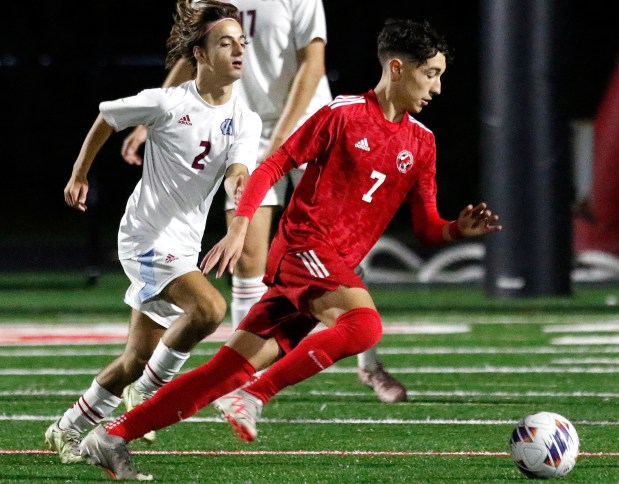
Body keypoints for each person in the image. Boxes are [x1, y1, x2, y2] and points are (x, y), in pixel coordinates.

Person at [78, 18, 502, 480]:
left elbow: (426, 228)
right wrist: (241, 226)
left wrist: (457, 230)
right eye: (430, 74)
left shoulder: (422, 143)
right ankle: (255, 396)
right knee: (363, 325)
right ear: (397, 69)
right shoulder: (342, 115)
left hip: (327, 268)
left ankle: (113, 435)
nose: (437, 88)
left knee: (226, 371)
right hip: (303, 247)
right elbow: (272, 165)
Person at [121, 0, 407, 403]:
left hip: (311, 127)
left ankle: (369, 366)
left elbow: (312, 65)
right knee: (247, 261)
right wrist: (147, 120)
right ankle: (238, 381)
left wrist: (281, 144)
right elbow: (193, 57)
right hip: (247, 131)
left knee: (342, 253)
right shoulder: (212, 3)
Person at [46, 0, 260, 466]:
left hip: (182, 244)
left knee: (134, 359)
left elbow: (236, 170)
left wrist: (241, 184)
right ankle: (148, 394)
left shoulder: (246, 118)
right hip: (145, 236)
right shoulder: (168, 101)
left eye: (242, 43)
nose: (238, 51)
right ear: (200, 54)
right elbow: (106, 117)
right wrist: (80, 173)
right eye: (226, 43)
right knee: (210, 309)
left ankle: (68, 426)